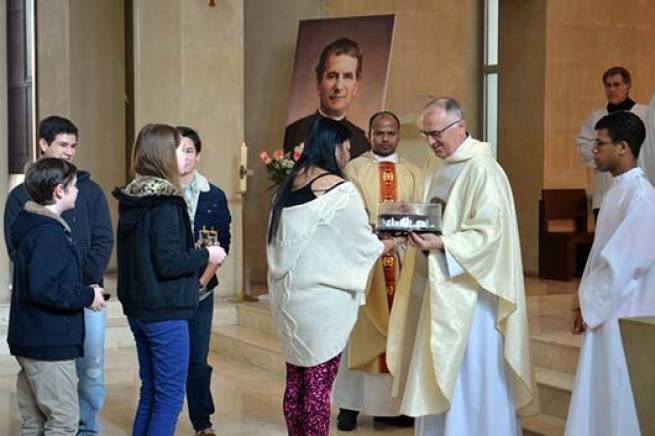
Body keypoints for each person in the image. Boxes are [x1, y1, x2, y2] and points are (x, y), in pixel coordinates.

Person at [386, 97, 536, 435]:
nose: (431, 142)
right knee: (436, 366)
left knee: (468, 376)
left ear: (460, 126)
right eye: (425, 134)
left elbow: (490, 234)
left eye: (436, 133)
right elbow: (432, 211)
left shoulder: (483, 169)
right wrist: (409, 219)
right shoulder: (435, 164)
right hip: (435, 284)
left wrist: (443, 243)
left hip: (471, 297)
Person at [267, 117, 396, 436]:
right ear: (334, 147)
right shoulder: (340, 191)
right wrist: (391, 243)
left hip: (289, 300)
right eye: (347, 148)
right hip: (321, 304)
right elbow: (363, 243)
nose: (347, 156)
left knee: (297, 382)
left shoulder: (287, 187)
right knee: (318, 388)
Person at [113, 124, 227, 436]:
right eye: (178, 148)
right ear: (163, 154)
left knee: (151, 392)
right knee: (169, 400)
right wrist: (208, 255)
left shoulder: (134, 195)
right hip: (164, 309)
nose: (184, 155)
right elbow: (168, 262)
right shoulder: (166, 201)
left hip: (141, 307)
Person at [3, 115, 114, 435]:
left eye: (73, 146)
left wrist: (84, 284)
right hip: (48, 326)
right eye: (62, 145)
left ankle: (88, 429)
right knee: (61, 417)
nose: (69, 152)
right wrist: (77, 291)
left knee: (85, 376)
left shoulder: (83, 195)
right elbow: (38, 278)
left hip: (73, 300)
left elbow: (103, 239)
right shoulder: (43, 227)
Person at [566, 111, 655, 436]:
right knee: (601, 392)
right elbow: (600, 254)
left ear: (622, 147)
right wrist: (580, 301)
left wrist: (590, 303)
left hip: (625, 312)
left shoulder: (642, 198)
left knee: (619, 392)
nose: (593, 150)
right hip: (604, 309)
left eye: (600, 143)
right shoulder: (616, 191)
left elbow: (623, 265)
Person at [333, 110, 422, 431]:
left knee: (400, 333)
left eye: (391, 133)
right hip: (366, 262)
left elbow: (423, 212)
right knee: (359, 333)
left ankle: (393, 407)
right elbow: (347, 211)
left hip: (403, 260)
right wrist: (372, 233)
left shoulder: (414, 173)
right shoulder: (353, 169)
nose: (385, 138)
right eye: (379, 133)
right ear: (369, 134)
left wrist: (403, 234)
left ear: (398, 135)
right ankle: (349, 406)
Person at [176, 126, 232, 436]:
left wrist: (202, 281)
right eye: (176, 150)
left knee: (197, 358)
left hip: (201, 288)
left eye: (188, 150)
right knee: (168, 358)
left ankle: (202, 421)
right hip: (166, 289)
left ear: (197, 156)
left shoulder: (214, 195)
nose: (182, 157)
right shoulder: (159, 192)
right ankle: (162, 417)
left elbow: (222, 243)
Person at [575, 66, 648, 217]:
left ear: (627, 86)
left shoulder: (644, 114)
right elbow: (583, 143)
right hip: (605, 191)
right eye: (608, 85)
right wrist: (604, 155)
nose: (612, 90)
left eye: (617, 84)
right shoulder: (596, 117)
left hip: (637, 191)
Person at [283, 37, 371, 159]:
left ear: (355, 86)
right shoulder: (293, 133)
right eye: (332, 76)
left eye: (347, 77)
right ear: (319, 82)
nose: (339, 86)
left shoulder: (363, 143)